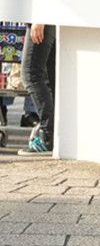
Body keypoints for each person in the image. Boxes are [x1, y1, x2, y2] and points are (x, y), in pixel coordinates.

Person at [20, 24, 55, 153]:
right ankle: (51, 137)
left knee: (30, 75)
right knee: (49, 77)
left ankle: (48, 138)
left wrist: (39, 19)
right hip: (47, 20)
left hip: (42, 20)